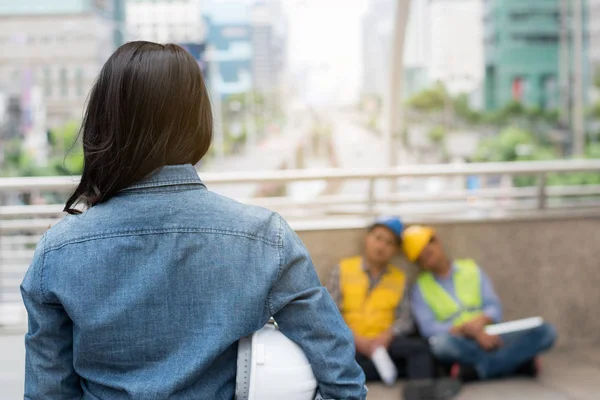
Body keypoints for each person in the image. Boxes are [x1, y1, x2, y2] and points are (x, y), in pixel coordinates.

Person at [20, 41, 366, 399]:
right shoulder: (265, 239)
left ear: (103, 123)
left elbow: (48, 392)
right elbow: (342, 380)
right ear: (199, 120)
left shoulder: (58, 252)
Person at [327, 217, 460, 399]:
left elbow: (405, 318)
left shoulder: (399, 278)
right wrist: (355, 338)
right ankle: (390, 373)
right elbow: (329, 313)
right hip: (351, 342)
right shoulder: (342, 270)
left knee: (420, 348)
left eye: (389, 243)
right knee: (331, 361)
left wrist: (387, 336)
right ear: (367, 238)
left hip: (385, 344)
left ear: (395, 250)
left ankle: (419, 390)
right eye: (378, 238)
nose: (381, 246)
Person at [404, 225, 557, 381]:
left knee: (545, 331)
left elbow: (494, 307)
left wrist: (481, 322)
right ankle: (517, 364)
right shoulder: (420, 288)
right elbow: (429, 329)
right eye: (422, 259)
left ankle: (478, 370)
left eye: (429, 253)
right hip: (460, 340)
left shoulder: (471, 269)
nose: (428, 259)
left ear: (437, 241)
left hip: (490, 333)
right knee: (441, 346)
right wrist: (468, 331)